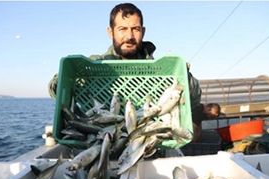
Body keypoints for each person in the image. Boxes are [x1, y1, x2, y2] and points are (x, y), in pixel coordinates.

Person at [48, 3, 203, 138]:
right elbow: (54, 90)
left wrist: (185, 76)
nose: (129, 36)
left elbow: (194, 98)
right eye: (122, 29)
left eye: (135, 29)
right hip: (102, 139)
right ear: (111, 32)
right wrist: (61, 80)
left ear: (143, 31)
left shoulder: (163, 70)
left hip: (150, 142)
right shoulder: (94, 65)